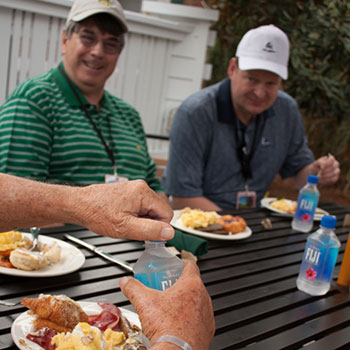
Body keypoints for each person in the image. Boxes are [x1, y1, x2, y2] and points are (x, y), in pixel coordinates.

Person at [0, 172, 215, 349]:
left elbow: (155, 184)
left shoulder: (129, 118)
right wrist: (177, 341)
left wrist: (80, 202)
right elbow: (23, 171)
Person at [163, 24, 340, 211]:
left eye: (271, 83)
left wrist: (317, 173)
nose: (260, 92)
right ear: (232, 69)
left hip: (252, 223)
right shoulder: (195, 113)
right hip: (197, 224)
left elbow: (299, 174)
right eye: (252, 79)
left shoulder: (286, 110)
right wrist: (237, 226)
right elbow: (183, 198)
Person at [0, 0, 164, 197]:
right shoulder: (34, 101)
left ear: (119, 54)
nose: (97, 52)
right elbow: (14, 201)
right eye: (88, 38)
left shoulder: (129, 116)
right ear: (65, 40)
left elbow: (155, 190)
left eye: (111, 43)